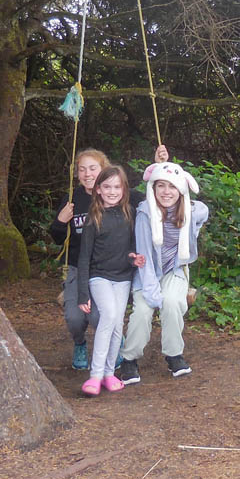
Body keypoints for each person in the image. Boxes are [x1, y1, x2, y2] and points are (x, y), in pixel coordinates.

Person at [49, 145, 168, 369]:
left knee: (99, 317)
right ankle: (80, 343)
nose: (87, 174)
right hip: (79, 267)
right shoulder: (72, 199)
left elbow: (156, 197)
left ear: (103, 170)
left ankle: (114, 345)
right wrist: (60, 222)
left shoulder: (119, 194)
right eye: (82, 169)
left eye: (92, 168)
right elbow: (57, 238)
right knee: (75, 319)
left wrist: (159, 166)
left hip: (112, 268)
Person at [118, 161, 209, 384]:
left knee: (172, 303)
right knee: (142, 310)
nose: (166, 192)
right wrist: (151, 292)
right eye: (161, 186)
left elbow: (203, 211)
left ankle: (174, 354)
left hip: (174, 269)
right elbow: (145, 255)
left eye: (172, 187)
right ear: (153, 188)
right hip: (147, 270)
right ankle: (129, 359)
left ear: (181, 190)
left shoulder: (190, 211)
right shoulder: (145, 214)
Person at [77, 165, 145, 396]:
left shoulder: (130, 214)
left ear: (124, 189)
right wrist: (82, 293)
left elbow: (131, 248)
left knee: (117, 324)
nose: (112, 191)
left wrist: (134, 259)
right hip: (99, 277)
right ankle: (95, 375)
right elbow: (84, 257)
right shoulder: (93, 218)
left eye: (117, 186)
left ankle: (108, 373)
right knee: (108, 316)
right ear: (98, 190)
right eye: (107, 187)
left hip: (123, 277)